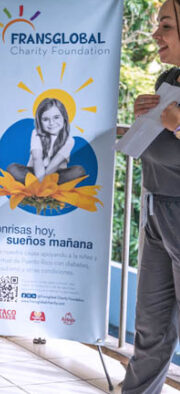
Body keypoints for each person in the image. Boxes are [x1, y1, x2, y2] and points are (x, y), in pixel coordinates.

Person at [120, 1, 180, 392]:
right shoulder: (168, 80)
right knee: (149, 331)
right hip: (156, 210)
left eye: (167, 26)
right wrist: (147, 114)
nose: (156, 34)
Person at [7, 97, 85, 184]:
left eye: (56, 117)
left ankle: (37, 185)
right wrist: (41, 182)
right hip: (35, 172)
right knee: (12, 168)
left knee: (79, 170)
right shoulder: (36, 133)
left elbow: (54, 165)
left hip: (55, 173)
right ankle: (42, 185)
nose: (51, 123)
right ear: (39, 121)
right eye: (46, 119)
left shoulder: (69, 140)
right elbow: (37, 158)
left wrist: (43, 183)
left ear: (64, 118)